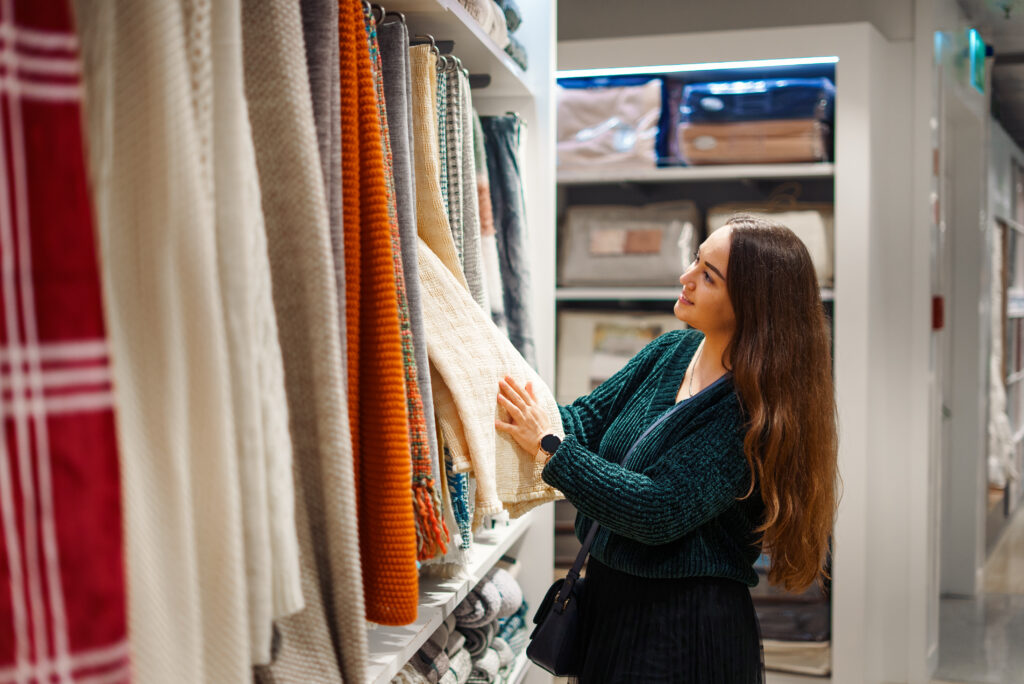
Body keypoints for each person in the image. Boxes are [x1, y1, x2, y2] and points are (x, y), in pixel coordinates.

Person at [495, 214, 838, 683]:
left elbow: (656, 508)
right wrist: (504, 403)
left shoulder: (753, 410)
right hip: (610, 605)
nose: (686, 278)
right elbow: (586, 419)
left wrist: (552, 448)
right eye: (696, 260)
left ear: (752, 305)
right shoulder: (670, 352)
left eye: (707, 276)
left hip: (685, 626)